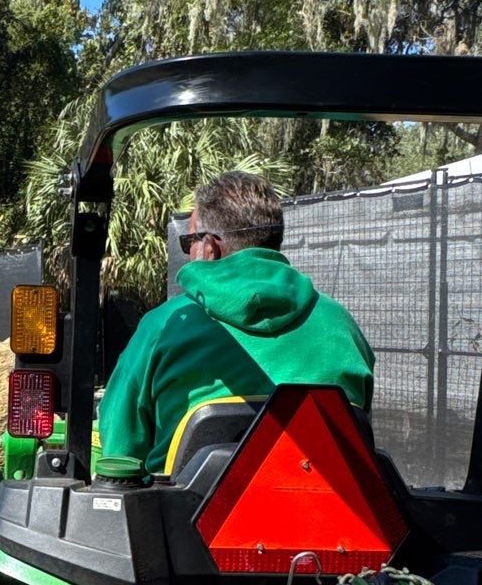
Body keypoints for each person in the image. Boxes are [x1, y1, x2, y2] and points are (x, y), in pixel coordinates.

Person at [95, 170, 375, 474]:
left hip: (183, 517)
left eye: (188, 241)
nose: (189, 251)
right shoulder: (341, 325)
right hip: (323, 516)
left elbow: (120, 453)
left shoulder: (164, 325)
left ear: (210, 247)